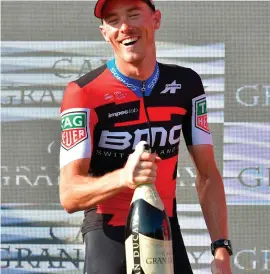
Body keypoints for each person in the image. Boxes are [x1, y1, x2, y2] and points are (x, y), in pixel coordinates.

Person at [59, 0, 233, 273]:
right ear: (104, 32)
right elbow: (69, 194)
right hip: (108, 234)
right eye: (113, 20)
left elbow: (208, 174)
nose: (125, 27)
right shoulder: (82, 92)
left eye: (133, 14)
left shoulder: (187, 85)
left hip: (165, 230)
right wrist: (124, 178)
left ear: (156, 19)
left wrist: (221, 248)